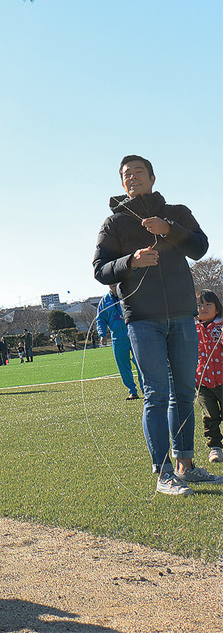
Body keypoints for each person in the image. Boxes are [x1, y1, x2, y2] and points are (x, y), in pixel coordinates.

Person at [93, 154, 217, 496]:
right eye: (126, 174)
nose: (132, 177)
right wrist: (128, 262)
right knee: (157, 393)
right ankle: (164, 474)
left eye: (138, 172)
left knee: (184, 392)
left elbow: (200, 246)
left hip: (180, 314)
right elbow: (100, 269)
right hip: (142, 320)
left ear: (152, 177)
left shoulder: (176, 212)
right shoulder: (113, 223)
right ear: (122, 183)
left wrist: (169, 229)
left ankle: (185, 466)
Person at [97, 284, 144, 399]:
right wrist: (102, 334)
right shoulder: (105, 301)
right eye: (111, 284)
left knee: (141, 364)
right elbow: (100, 319)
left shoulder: (129, 295)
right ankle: (132, 391)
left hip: (134, 335)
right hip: (117, 339)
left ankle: (146, 389)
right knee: (123, 366)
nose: (113, 286)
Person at [195, 290, 223, 466]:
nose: (203, 308)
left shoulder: (220, 327)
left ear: (217, 309)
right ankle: (215, 446)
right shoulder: (191, 328)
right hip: (202, 383)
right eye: (199, 305)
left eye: (208, 304)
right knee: (210, 416)